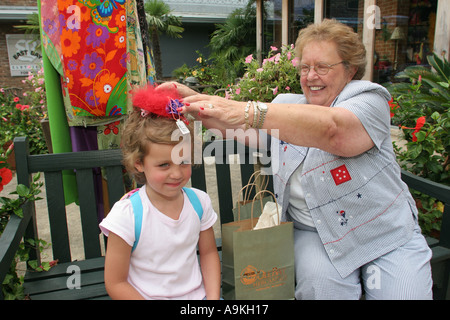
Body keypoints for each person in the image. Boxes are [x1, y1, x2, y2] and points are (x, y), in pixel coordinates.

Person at [160, 19, 433, 299]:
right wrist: (195, 102)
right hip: (315, 234)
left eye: (322, 67)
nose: (311, 76)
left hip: (384, 232)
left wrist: (249, 110)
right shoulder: (286, 106)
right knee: (321, 289)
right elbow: (240, 130)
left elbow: (333, 130)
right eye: (305, 67)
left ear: (350, 69)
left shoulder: (368, 100)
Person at [99, 85, 221, 300]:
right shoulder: (128, 215)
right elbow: (116, 282)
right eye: (164, 165)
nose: (176, 174)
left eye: (183, 162)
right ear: (139, 164)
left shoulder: (199, 203)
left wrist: (212, 299)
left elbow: (209, 253)